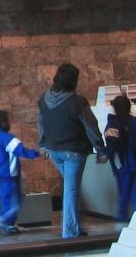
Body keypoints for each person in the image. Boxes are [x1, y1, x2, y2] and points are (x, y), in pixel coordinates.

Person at [38, 63, 108, 239]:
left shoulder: (43, 99)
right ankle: (69, 232)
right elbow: (91, 126)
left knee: (71, 188)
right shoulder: (78, 102)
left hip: (53, 150)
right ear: (73, 81)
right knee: (71, 190)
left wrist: (43, 144)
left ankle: (74, 227)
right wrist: (101, 150)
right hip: (74, 152)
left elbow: (41, 123)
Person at [0, 109, 41, 235]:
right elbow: (21, 150)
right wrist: (37, 153)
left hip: (1, 176)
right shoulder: (8, 138)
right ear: (4, 123)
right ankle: (1, 220)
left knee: (7, 201)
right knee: (14, 203)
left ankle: (10, 225)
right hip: (11, 176)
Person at [104, 95, 136, 223]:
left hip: (122, 164)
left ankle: (122, 219)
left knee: (124, 192)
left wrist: (105, 154)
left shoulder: (113, 124)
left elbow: (111, 143)